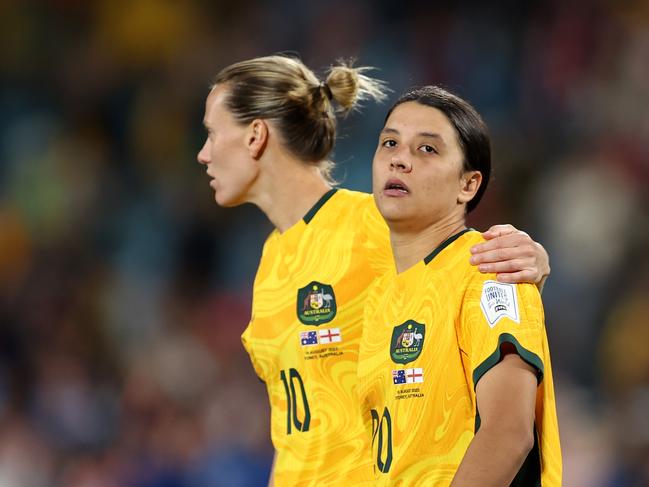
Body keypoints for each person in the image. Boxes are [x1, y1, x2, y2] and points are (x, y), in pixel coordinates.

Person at [197, 55, 551, 485]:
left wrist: (528, 258)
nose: (203, 153)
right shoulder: (272, 258)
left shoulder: (374, 223)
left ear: (256, 135)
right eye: (389, 144)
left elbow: (457, 262)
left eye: (212, 134)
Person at [357, 86, 561, 485]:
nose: (400, 159)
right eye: (390, 143)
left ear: (468, 185)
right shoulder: (380, 295)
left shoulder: (490, 270)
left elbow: (507, 432)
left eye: (427, 149)